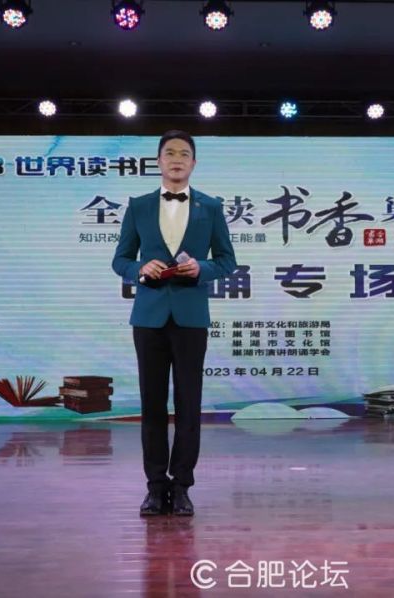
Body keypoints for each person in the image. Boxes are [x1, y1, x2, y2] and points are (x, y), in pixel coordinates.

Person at [112, 130, 237, 516]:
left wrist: (202, 269)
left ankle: (182, 486)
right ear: (159, 161)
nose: (177, 159)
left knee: (188, 403)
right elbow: (120, 259)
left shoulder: (210, 207)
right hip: (148, 317)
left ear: (194, 163)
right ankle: (154, 487)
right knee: (151, 404)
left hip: (190, 317)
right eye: (170, 153)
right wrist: (139, 268)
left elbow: (227, 261)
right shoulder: (138, 206)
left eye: (184, 153)